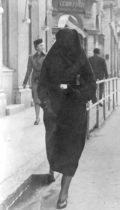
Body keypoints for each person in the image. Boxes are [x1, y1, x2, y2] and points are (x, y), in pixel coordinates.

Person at [38, 28, 96, 209]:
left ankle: (64, 192)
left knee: (72, 152)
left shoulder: (80, 58)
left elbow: (91, 83)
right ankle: (54, 171)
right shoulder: (51, 58)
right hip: (55, 113)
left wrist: (78, 93)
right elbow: (42, 84)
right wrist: (46, 104)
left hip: (75, 111)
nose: (66, 46)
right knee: (55, 151)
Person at [23, 38, 46, 125]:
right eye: (41, 45)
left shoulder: (47, 56)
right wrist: (25, 82)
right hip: (35, 81)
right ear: (36, 47)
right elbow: (28, 70)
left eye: (43, 45)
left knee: (44, 100)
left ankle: (47, 116)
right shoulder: (31, 58)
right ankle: (37, 118)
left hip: (44, 81)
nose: (43, 46)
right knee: (36, 100)